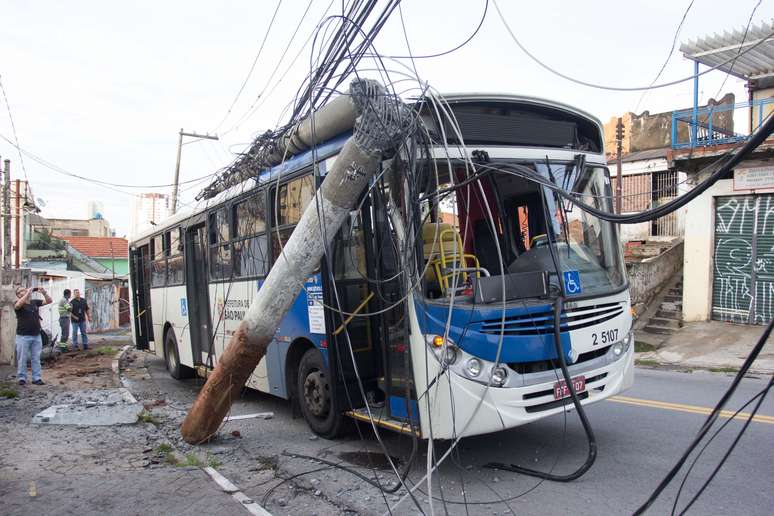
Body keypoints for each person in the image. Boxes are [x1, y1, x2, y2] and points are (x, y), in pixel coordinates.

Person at [14, 286, 53, 386]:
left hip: (36, 335)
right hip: (23, 336)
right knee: (22, 358)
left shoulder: (34, 302)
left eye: (25, 289)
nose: (25, 290)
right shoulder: (18, 303)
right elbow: (18, 306)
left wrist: (44, 292)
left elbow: (49, 301)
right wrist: (28, 292)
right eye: (22, 290)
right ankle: (22, 378)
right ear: (18, 295)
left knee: (36, 358)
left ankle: (37, 378)